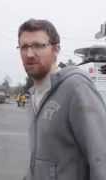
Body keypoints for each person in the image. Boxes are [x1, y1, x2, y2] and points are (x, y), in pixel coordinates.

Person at [18, 19, 106, 180]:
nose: (29, 54)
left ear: (56, 49)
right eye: (24, 47)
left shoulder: (76, 88)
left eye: (38, 45)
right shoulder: (33, 96)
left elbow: (101, 158)